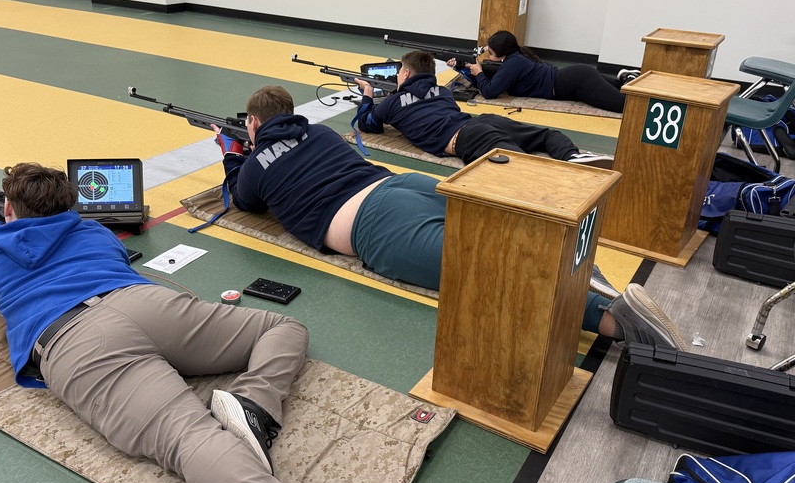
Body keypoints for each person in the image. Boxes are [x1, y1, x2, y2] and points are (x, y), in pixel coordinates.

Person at [0, 162, 387, 483]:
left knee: (187, 437)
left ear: (8, 207)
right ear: (69, 203)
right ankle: (253, 404)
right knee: (281, 327)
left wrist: (0, 234)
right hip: (142, 304)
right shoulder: (94, 233)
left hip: (73, 342)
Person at [218, 85, 687, 351]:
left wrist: (233, 153)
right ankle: (599, 280)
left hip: (372, 224)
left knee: (486, 271)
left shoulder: (256, 163)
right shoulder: (320, 133)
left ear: (254, 124)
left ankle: (612, 322)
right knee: (513, 231)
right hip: (405, 183)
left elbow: (243, 202)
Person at [352, 50, 613, 168]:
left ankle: (570, 183)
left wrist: (367, 95)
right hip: (483, 122)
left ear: (406, 73)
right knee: (544, 135)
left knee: (526, 169)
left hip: (469, 137)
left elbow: (367, 124)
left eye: (399, 72)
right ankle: (571, 155)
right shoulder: (443, 92)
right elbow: (425, 102)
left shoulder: (392, 103)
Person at [449, 30, 628, 113]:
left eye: (491, 52)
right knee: (624, 90)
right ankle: (624, 78)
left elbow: (489, 92)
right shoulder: (516, 56)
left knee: (624, 106)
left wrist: (479, 72)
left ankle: (625, 78)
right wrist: (460, 66)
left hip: (576, 82)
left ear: (501, 53)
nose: (489, 54)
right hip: (576, 76)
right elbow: (494, 74)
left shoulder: (513, 64)